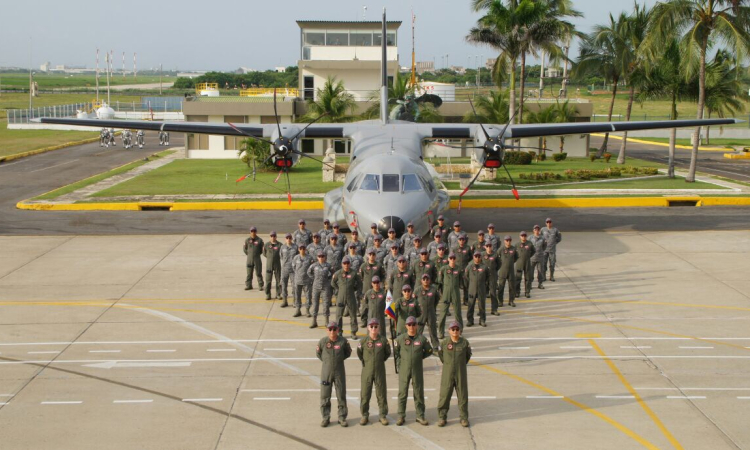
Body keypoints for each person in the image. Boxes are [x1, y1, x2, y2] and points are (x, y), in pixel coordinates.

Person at [394, 316, 433, 426]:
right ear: (406, 326)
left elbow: (429, 351)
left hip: (417, 370)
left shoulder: (421, 339)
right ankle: (401, 416)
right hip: (404, 370)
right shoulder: (400, 339)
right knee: (402, 393)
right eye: (409, 324)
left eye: (413, 324)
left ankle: (420, 416)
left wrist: (419, 357)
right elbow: (396, 352)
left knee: (418, 392)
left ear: (416, 326)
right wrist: (400, 364)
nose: (411, 327)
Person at [316, 321, 352, 427]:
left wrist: (338, 360)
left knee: (341, 395)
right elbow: (319, 354)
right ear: (327, 330)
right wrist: (327, 362)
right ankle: (325, 417)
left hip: (339, 372)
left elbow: (348, 352)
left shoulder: (343, 341)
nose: (332, 331)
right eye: (330, 329)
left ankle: (342, 417)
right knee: (325, 395)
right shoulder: (323, 342)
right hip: (326, 372)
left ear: (338, 330)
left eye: (334, 329)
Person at [437, 320, 472, 428]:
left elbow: (467, 356)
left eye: (457, 329)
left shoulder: (464, 343)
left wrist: (459, 365)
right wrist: (449, 365)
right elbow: (441, 355)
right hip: (447, 372)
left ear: (460, 331)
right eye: (453, 329)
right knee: (445, 394)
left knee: (462, 395)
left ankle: (464, 417)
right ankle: (442, 417)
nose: (455, 331)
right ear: (449, 331)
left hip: (460, 372)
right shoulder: (444, 343)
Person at [357, 318, 391, 426]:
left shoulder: (383, 341)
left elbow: (387, 353)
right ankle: (364, 415)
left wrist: (379, 362)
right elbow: (359, 354)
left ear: (379, 328)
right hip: (367, 370)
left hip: (380, 370)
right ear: (368, 328)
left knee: (381, 393)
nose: (373, 328)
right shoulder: (363, 341)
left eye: (376, 326)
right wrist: (367, 362)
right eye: (371, 326)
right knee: (365, 393)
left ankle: (382, 415)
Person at [332, 257, 362, 339]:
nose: (346, 265)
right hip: (341, 297)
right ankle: (339, 332)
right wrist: (339, 289)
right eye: (344, 263)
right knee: (339, 315)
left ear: (350, 264)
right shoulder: (338, 273)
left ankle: (353, 332)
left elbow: (359, 282)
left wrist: (355, 289)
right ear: (342, 264)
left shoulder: (354, 273)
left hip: (351, 296)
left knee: (353, 315)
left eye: (347, 263)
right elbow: (333, 283)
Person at [437, 252, 463, 338]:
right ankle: (441, 332)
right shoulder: (443, 269)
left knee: (458, 313)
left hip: (455, 293)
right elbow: (440, 282)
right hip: (446, 293)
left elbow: (461, 282)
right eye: (450, 258)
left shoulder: (458, 269)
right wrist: (440, 293)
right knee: (443, 314)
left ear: (455, 259)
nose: (452, 260)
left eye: (453, 258)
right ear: (448, 259)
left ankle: (459, 331)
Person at [359, 250, 385, 327]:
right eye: (370, 254)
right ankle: (364, 320)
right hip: (366, 288)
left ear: (375, 255)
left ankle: (376, 320)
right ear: (367, 255)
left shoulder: (379, 266)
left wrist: (380, 285)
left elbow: (382, 276)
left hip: (376, 289)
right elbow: (361, 277)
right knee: (365, 306)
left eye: (373, 254)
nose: (372, 256)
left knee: (376, 305)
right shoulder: (363, 266)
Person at [414, 274, 440, 349]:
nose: (425, 281)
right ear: (421, 281)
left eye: (427, 279)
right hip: (420, 313)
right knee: (418, 330)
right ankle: (417, 345)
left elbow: (437, 299)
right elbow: (414, 301)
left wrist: (432, 307)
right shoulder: (417, 290)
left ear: (430, 280)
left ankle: (435, 345)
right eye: (424, 279)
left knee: (433, 330)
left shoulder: (433, 289)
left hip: (431, 312)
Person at [307, 252, 333, 328]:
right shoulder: (314, 265)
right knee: (315, 304)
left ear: (325, 257)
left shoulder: (328, 265)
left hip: (325, 287)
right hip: (316, 287)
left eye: (322, 256)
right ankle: (314, 321)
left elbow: (332, 273)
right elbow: (309, 272)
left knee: (326, 304)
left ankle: (326, 321)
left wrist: (328, 280)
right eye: (319, 256)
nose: (321, 258)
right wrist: (314, 279)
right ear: (317, 257)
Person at [464, 252, 489, 327]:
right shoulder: (469, 267)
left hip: (481, 289)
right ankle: (470, 320)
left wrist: (484, 285)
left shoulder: (484, 267)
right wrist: (470, 286)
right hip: (472, 289)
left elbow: (487, 277)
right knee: (471, 305)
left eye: (479, 256)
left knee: (481, 305)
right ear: (473, 257)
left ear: (481, 257)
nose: (477, 258)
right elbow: (466, 278)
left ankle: (482, 320)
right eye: (476, 256)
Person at [291, 244, 315, 320]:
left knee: (308, 296)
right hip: (298, 280)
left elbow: (312, 268)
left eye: (303, 248)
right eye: (300, 248)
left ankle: (307, 310)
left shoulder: (309, 258)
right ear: (298, 249)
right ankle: (298, 310)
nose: (302, 250)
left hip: (307, 281)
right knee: (297, 295)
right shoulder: (296, 258)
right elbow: (294, 267)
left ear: (305, 249)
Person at [498, 236, 518, 307]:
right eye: (507, 240)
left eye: (509, 240)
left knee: (512, 287)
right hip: (503, 271)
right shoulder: (501, 249)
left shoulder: (513, 249)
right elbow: (497, 257)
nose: (508, 242)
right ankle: (500, 301)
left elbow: (516, 257)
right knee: (501, 287)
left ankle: (511, 301)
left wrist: (510, 262)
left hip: (511, 271)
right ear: (504, 241)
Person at [514, 231, 536, 298]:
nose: (523, 237)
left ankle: (527, 292)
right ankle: (517, 292)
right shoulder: (517, 244)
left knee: (528, 278)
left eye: (524, 236)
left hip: (527, 263)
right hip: (519, 263)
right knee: (518, 278)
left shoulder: (529, 243)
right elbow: (514, 253)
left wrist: (528, 256)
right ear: (520, 236)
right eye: (522, 236)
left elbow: (533, 251)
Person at [279, 233, 298, 307]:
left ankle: (294, 301)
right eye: (287, 238)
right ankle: (285, 301)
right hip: (284, 270)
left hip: (293, 270)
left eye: (290, 238)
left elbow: (297, 257)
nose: (288, 239)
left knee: (294, 286)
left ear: (291, 239)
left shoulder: (295, 247)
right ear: (285, 239)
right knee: (284, 285)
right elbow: (281, 256)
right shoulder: (282, 247)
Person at [453, 235, 472, 306]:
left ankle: (466, 300)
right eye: (460, 239)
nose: (461, 241)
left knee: (466, 286)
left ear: (464, 240)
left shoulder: (468, 248)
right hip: (457, 270)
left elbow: (471, 257)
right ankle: (455, 301)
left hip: (465, 270)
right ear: (458, 240)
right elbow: (451, 258)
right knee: (455, 286)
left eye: (462, 239)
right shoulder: (454, 249)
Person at [243, 227, 264, 291]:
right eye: (252, 231)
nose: (253, 233)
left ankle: (260, 285)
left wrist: (255, 254)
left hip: (257, 259)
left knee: (258, 273)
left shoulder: (260, 240)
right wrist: (249, 254)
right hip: (249, 259)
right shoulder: (247, 240)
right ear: (250, 232)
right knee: (249, 273)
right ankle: (249, 285)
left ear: (256, 232)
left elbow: (261, 250)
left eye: (254, 231)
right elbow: (244, 249)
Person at [482, 243, 500, 315]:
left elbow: (499, 264)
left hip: (492, 276)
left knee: (493, 293)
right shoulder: (482, 254)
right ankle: (481, 311)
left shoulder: (495, 255)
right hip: (483, 277)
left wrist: (494, 270)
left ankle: (494, 309)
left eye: (490, 246)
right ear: (485, 247)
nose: (489, 248)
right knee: (482, 295)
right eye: (487, 246)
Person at [541, 218, 562, 282]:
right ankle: (544, 276)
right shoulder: (543, 229)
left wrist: (554, 242)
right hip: (544, 250)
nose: (548, 223)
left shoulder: (555, 230)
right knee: (544, 263)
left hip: (552, 250)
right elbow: (539, 236)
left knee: (552, 263)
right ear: (545, 223)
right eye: (547, 222)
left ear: (551, 223)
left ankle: (551, 276)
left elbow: (559, 237)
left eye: (550, 222)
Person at [263, 231, 282, 300]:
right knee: (268, 280)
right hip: (269, 265)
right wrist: (270, 258)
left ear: (276, 237)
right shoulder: (266, 245)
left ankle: (278, 294)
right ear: (270, 237)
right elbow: (264, 253)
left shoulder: (280, 245)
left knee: (278, 280)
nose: (273, 237)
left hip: (277, 265)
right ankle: (268, 294)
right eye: (271, 236)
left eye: (274, 236)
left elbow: (282, 254)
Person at [529, 225, 547, 290]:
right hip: (532, 258)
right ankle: (530, 283)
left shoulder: (542, 238)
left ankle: (540, 283)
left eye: (538, 230)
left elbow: (544, 246)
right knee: (531, 271)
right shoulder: (530, 238)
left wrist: (541, 251)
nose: (537, 231)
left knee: (540, 271)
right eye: (535, 229)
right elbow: (528, 246)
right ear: (533, 230)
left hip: (540, 257)